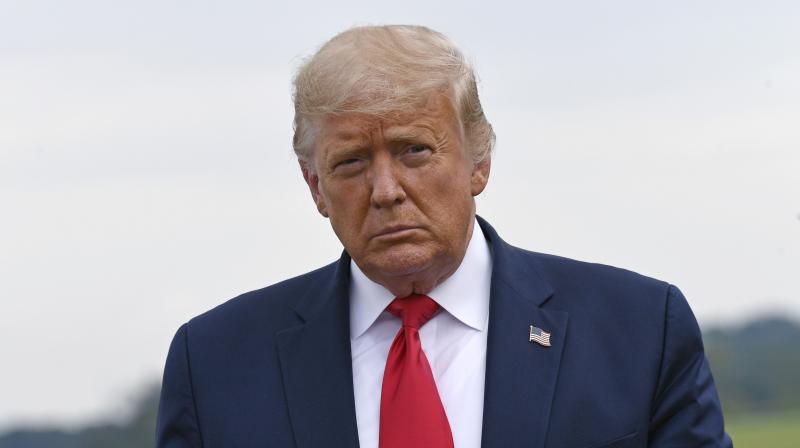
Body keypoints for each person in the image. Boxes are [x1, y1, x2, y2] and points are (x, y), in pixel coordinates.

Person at [156, 25, 732, 448]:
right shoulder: (214, 364)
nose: (386, 189)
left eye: (414, 150)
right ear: (315, 188)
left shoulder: (638, 329)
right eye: (352, 162)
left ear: (478, 162)